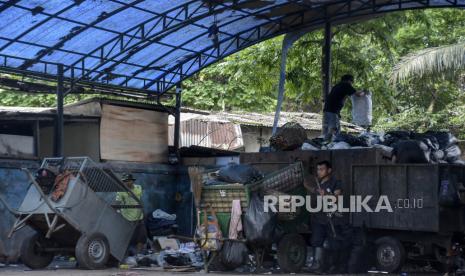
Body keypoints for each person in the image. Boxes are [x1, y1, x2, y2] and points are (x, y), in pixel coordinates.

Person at [305, 160, 351, 274]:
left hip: (332, 219)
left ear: (329, 170)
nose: (319, 172)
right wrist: (307, 186)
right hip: (318, 218)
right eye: (318, 169)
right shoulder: (318, 184)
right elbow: (315, 192)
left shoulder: (335, 182)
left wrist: (325, 194)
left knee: (333, 244)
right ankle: (317, 266)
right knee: (317, 241)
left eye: (322, 169)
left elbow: (337, 197)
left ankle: (334, 267)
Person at [323, 74, 365, 141]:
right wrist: (364, 92)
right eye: (352, 82)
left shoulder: (337, 86)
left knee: (330, 129)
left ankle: (326, 144)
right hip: (332, 111)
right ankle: (328, 144)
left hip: (327, 111)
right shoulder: (346, 85)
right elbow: (358, 94)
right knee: (333, 129)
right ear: (349, 81)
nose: (352, 84)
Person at [116, 173, 147, 255]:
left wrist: (143, 212)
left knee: (142, 237)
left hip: (139, 217)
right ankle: (123, 255)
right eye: (124, 181)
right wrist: (116, 211)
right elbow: (117, 202)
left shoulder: (138, 188)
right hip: (127, 218)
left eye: (128, 181)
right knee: (126, 238)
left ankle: (138, 255)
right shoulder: (120, 191)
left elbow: (140, 200)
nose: (126, 183)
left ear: (132, 181)